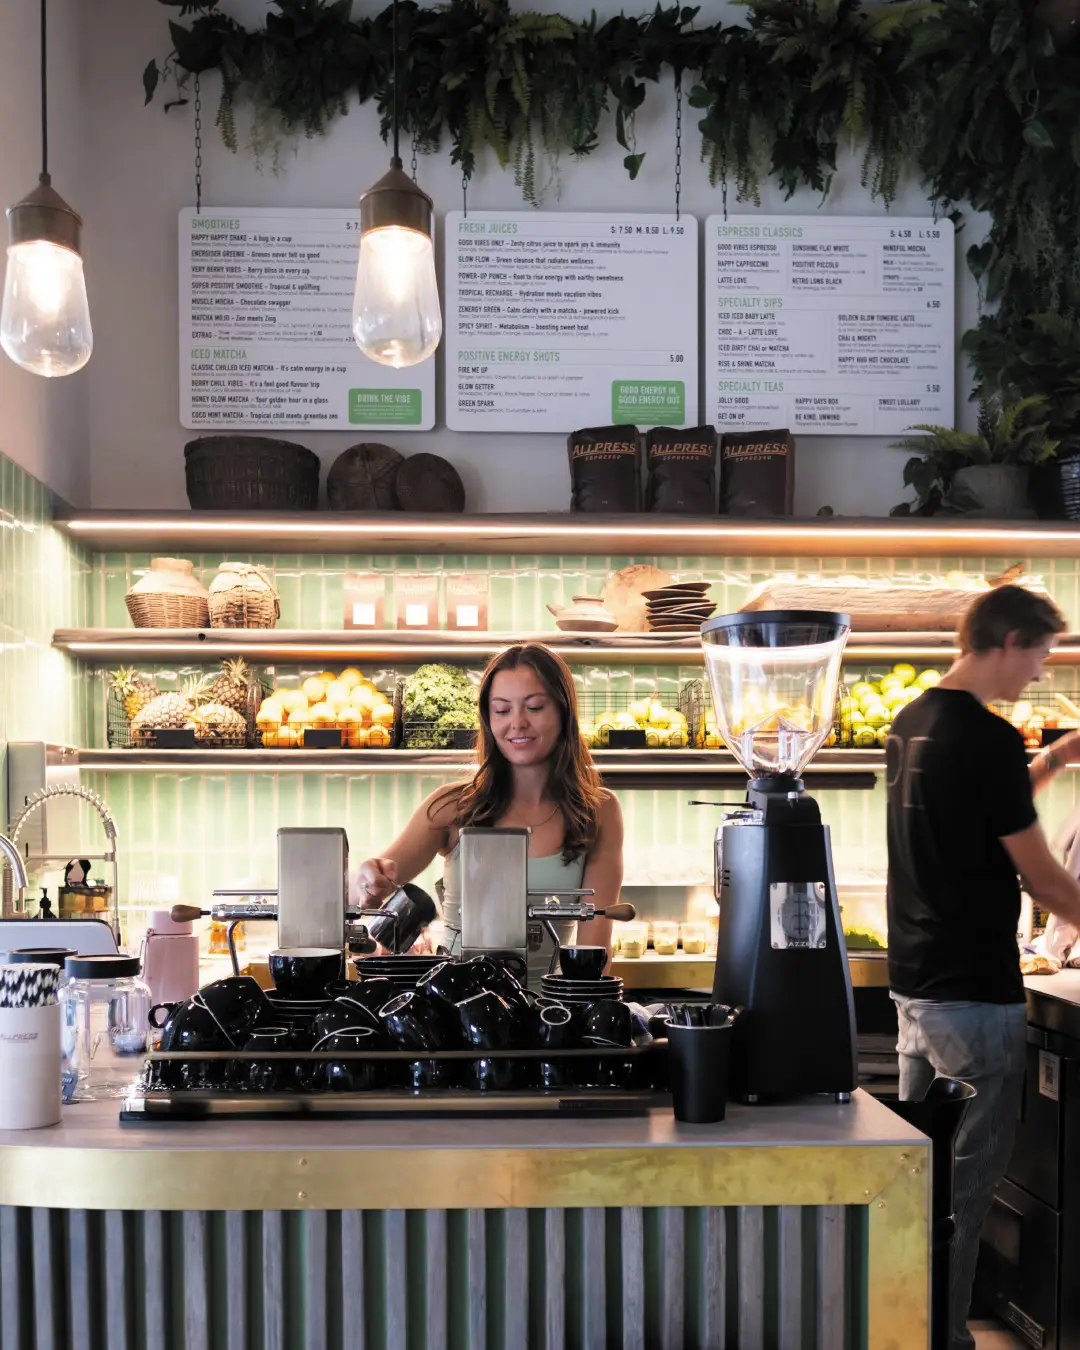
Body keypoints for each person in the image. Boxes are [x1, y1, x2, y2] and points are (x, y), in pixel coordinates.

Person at [885, 585, 1080, 1350]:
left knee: (920, 1183)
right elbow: (1045, 878)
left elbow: (984, 807)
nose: (1039, 672)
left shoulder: (915, 722)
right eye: (1039, 654)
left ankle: (904, 1326)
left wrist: (1054, 759)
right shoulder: (987, 737)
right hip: (973, 996)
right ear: (1009, 642)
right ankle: (945, 1341)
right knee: (963, 1194)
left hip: (918, 989)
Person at [357, 642, 624, 971]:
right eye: (502, 710)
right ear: (488, 719)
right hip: (455, 998)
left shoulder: (598, 811)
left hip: (548, 1001)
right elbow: (371, 884)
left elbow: (593, 955)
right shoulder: (452, 806)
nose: (517, 723)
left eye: (535, 707)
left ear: (564, 712)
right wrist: (367, 880)